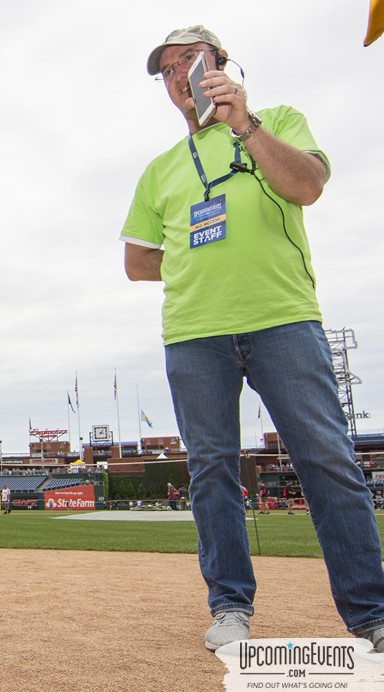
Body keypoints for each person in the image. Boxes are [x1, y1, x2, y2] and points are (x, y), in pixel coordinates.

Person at [121, 25, 384, 653]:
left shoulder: (280, 120)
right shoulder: (160, 170)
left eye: (190, 60)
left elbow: (307, 186)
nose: (178, 75)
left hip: (282, 318)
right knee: (211, 471)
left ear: (219, 64)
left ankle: (371, 614)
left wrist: (247, 126)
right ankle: (231, 606)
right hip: (194, 332)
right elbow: (137, 261)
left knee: (327, 460)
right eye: (166, 70)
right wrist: (192, 258)